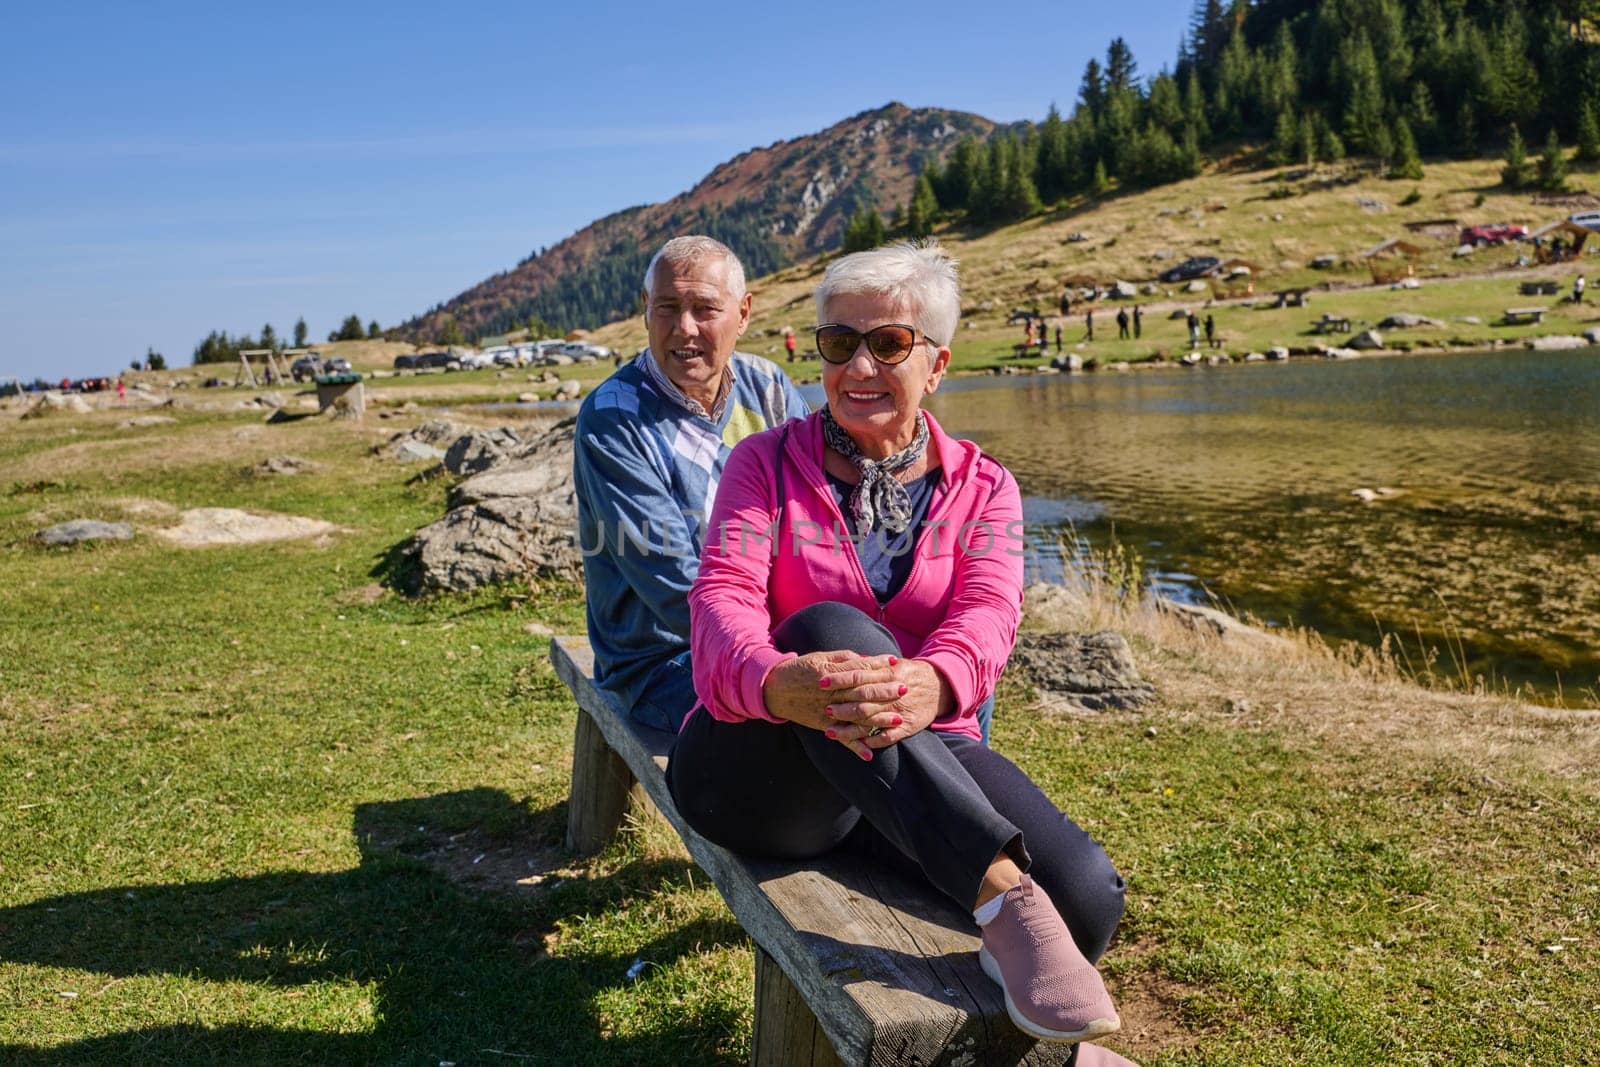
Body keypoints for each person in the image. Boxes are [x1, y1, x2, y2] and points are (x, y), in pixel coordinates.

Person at [668, 241, 1126, 1051]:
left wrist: (936, 680)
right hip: (755, 768)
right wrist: (779, 681)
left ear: (938, 364)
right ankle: (998, 894)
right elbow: (720, 607)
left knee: (1087, 898)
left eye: (887, 343)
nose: (858, 367)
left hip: (914, 753)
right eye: (839, 344)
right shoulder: (761, 464)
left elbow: (988, 617)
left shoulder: (986, 486)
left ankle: (970, 881)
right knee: (828, 633)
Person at [573, 236, 809, 733]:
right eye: (667, 307)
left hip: (774, 634)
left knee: (905, 681)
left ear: (743, 314)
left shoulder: (768, 387)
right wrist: (781, 663)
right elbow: (675, 586)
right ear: (645, 310)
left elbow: (819, 518)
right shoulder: (614, 418)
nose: (685, 328)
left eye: (705, 309)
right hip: (663, 663)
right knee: (811, 719)